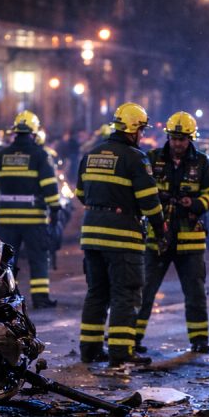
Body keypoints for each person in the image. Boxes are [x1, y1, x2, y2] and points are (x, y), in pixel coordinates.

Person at [76, 103, 167, 367]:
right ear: (133, 128)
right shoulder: (135, 158)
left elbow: (81, 195)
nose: (142, 135)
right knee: (125, 294)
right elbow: (150, 202)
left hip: (91, 235)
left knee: (96, 293)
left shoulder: (91, 155)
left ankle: (89, 350)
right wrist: (160, 229)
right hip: (123, 237)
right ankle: (120, 352)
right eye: (141, 129)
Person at [134, 112, 209, 355]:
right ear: (169, 137)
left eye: (182, 139)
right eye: (174, 138)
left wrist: (196, 205)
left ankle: (199, 339)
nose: (177, 144)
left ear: (190, 139)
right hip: (158, 238)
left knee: (195, 293)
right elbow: (140, 188)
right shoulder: (152, 159)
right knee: (144, 291)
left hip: (190, 241)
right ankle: (133, 338)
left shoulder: (202, 163)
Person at [0, 110, 60, 308]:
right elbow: (50, 188)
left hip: (7, 219)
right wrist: (55, 210)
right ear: (34, 134)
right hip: (34, 219)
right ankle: (40, 298)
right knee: (38, 258)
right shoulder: (40, 155)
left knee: (7, 262)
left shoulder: (1, 156)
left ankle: (6, 298)